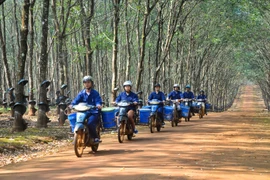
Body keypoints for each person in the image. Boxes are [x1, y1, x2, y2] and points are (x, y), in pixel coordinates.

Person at [70, 76, 102, 143]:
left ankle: (95, 137)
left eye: (88, 82)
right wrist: (71, 105)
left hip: (93, 112)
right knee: (75, 120)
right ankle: (76, 135)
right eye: (85, 83)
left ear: (91, 83)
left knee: (90, 123)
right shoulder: (81, 93)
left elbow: (98, 100)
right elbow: (76, 100)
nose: (87, 84)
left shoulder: (95, 93)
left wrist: (98, 105)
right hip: (83, 111)